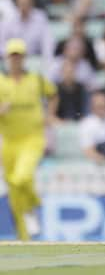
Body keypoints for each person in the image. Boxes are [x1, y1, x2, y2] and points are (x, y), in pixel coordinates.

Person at [0, 39, 58, 240]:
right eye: (12, 56)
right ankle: (24, 238)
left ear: (24, 58)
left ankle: (33, 205)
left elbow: (53, 95)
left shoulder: (36, 79)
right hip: (9, 142)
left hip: (33, 138)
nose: (15, 60)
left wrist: (50, 114)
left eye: (19, 56)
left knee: (21, 177)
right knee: (13, 189)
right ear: (7, 58)